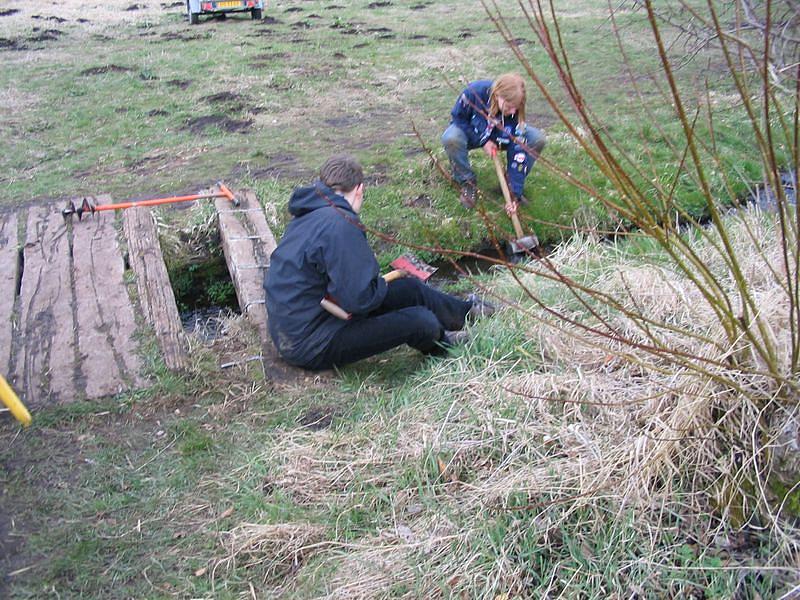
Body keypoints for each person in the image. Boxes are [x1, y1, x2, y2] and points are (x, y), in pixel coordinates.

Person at [264, 155, 494, 371]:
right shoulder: (341, 224)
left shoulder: (310, 212)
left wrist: (376, 286)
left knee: (409, 289)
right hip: (310, 342)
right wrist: (378, 286)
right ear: (359, 189)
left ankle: (465, 313)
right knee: (420, 321)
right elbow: (359, 300)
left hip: (301, 321)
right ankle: (443, 344)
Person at [441, 73, 546, 211]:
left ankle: (508, 185)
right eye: (509, 107)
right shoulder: (474, 92)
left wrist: (514, 192)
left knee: (536, 139)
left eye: (516, 107)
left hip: (501, 134)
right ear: (497, 95)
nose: (513, 111)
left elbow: (518, 152)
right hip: (472, 132)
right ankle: (467, 182)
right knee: (451, 138)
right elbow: (458, 118)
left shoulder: (515, 108)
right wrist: (483, 141)